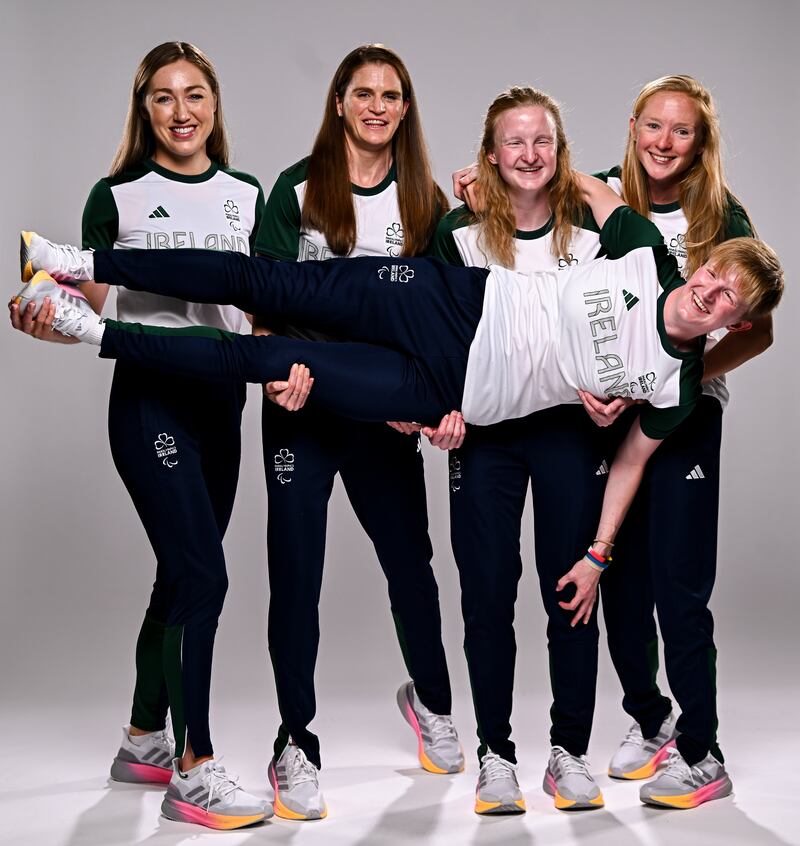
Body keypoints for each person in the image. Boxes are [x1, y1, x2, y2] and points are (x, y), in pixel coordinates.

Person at [16, 176, 783, 598]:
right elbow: (583, 184)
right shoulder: (647, 253)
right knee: (267, 282)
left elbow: (630, 463)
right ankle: (76, 262)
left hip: (446, 390)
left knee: (270, 360)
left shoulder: (674, 384)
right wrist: (495, 182)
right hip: (445, 301)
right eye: (715, 272)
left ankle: (91, 332)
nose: (708, 291)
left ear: (739, 323)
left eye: (728, 299)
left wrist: (598, 555)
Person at [8, 42, 304, 829]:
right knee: (203, 575)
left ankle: (143, 739)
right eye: (164, 97)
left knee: (181, 575)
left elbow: (259, 306)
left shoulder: (246, 195)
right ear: (145, 109)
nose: (181, 111)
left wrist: (283, 357)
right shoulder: (116, 197)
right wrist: (38, 315)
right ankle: (194, 770)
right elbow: (83, 302)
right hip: (151, 403)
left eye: (195, 94)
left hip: (223, 405)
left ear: (214, 103)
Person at [251, 44, 463, 821]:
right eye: (363, 93)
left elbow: (436, 317)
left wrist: (422, 397)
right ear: (338, 101)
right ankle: (295, 743)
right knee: (295, 574)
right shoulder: (296, 189)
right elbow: (263, 300)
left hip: (382, 414)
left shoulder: (422, 199)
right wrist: (274, 366)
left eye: (391, 95)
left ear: (405, 109)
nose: (377, 106)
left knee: (411, 564)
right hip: (301, 408)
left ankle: (432, 702)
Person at [588, 75, 773, 809]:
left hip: (685, 416)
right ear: (634, 126)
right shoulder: (600, 193)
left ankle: (702, 750)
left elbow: (758, 331)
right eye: (653, 126)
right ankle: (650, 718)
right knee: (618, 578)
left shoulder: (720, 213)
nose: (664, 143)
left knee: (679, 584)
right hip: (607, 412)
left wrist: (681, 375)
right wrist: (480, 180)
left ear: (701, 143)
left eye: (683, 130)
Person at [431, 86, 610, 814]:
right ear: (490, 154)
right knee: (486, 592)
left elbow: (623, 325)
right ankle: (495, 755)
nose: (530, 154)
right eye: (515, 141)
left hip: (570, 431)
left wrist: (618, 392)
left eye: (544, 141)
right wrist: (436, 410)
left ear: (561, 153)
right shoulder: (459, 235)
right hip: (487, 438)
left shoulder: (592, 235)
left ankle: (569, 751)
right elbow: (432, 336)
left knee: (572, 592)